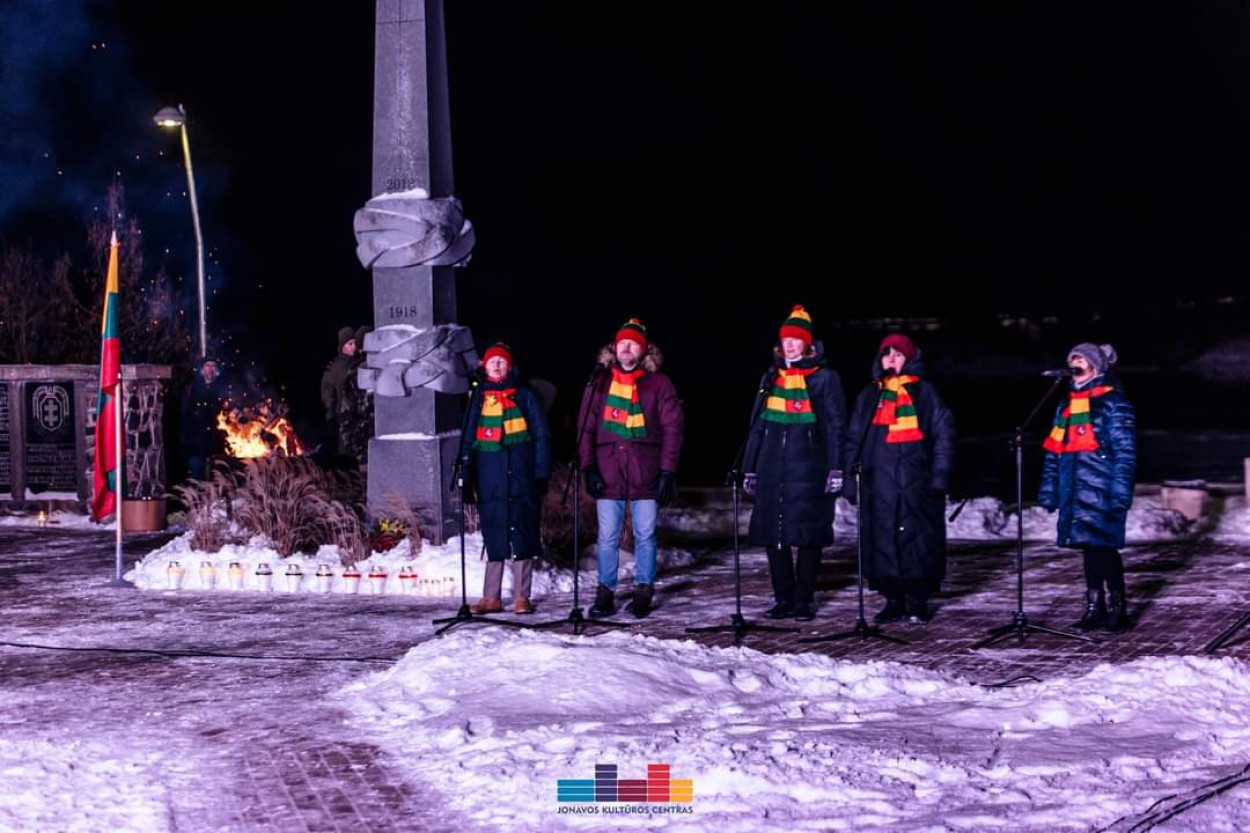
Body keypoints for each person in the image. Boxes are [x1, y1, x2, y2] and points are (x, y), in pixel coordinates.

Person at [741, 305, 848, 622]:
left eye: (796, 339)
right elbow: (756, 426)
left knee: (808, 535)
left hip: (810, 469)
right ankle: (783, 599)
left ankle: (803, 600)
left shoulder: (825, 378)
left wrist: (836, 467)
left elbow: (836, 426)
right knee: (773, 533)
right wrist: (750, 467)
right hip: (772, 468)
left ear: (808, 344)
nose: (789, 345)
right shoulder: (771, 377)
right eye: (785, 340)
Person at [843, 334, 956, 625]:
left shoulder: (925, 393)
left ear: (910, 358)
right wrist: (850, 479)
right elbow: (854, 439)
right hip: (878, 483)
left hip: (918, 482)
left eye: (898, 354)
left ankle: (918, 600)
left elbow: (943, 437)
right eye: (886, 354)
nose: (891, 360)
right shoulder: (870, 395)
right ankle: (892, 599)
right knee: (882, 540)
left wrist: (939, 477)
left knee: (918, 541)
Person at [578, 318, 684, 619]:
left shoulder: (659, 384)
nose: (626, 347)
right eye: (622, 342)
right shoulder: (599, 382)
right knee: (607, 536)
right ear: (614, 347)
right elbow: (585, 427)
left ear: (644, 350)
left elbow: (673, 428)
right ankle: (605, 592)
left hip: (645, 469)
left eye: (633, 343)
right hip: (608, 469)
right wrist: (588, 466)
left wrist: (667, 470)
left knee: (645, 534)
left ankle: (643, 590)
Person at [1037, 342, 1137, 633]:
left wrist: (1121, 492)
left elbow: (1126, 453)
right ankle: (1095, 607)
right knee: (1088, 548)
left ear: (1096, 366)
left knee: (1104, 548)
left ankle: (1118, 608)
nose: (1075, 364)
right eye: (1072, 359)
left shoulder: (1113, 402)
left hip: (1103, 489)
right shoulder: (1066, 405)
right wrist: (1049, 490)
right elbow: (1054, 452)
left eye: (1081, 359)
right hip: (1075, 489)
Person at [463, 342, 553, 615]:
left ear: (510, 366)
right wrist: (466, 475)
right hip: (490, 475)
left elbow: (541, 435)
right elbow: (468, 438)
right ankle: (491, 597)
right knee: (494, 531)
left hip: (521, 472)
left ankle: (522, 596)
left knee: (522, 531)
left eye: (502, 361)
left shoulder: (525, 396)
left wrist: (541, 473)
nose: (497, 364)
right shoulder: (479, 398)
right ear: (485, 366)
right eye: (492, 361)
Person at [180, 357, 227, 481]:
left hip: (216, 443)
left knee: (217, 479)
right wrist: (184, 440)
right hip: (197, 442)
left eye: (213, 366)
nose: (211, 369)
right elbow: (184, 417)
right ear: (202, 369)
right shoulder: (192, 389)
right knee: (196, 478)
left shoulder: (223, 390)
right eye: (207, 365)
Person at [320, 326, 359, 458]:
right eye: (350, 344)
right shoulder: (334, 369)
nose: (354, 347)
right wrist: (330, 417)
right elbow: (328, 394)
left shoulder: (359, 364)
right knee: (346, 456)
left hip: (360, 419)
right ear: (343, 346)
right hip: (343, 420)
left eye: (355, 343)